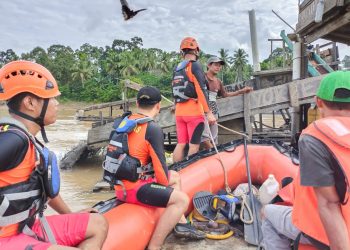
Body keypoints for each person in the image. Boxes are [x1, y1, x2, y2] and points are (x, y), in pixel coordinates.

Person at [0, 60, 108, 250]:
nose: (57, 104)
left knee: (98, 223)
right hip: (6, 239)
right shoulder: (14, 140)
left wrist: (71, 214)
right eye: (51, 98)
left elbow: (45, 188)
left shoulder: (29, 140)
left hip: (28, 226)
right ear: (30, 103)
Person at [106, 86, 205, 250]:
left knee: (175, 176)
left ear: (137, 103)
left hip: (119, 186)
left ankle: (180, 223)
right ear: (158, 106)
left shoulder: (125, 121)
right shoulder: (152, 129)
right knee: (181, 199)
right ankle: (155, 246)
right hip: (133, 191)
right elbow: (162, 178)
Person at [261, 71, 350, 250]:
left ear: (318, 102)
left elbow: (328, 205)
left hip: (325, 233)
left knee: (267, 212)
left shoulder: (315, 138)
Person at [172, 37, 216, 162]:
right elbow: (201, 90)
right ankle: (188, 172)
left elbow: (175, 91)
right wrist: (209, 113)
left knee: (181, 144)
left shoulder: (177, 69)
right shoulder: (195, 65)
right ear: (196, 51)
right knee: (193, 145)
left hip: (179, 112)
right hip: (193, 113)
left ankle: (176, 172)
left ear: (182, 52)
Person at [201, 56, 253, 149]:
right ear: (209, 65)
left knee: (213, 138)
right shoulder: (201, 77)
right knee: (204, 139)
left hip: (214, 111)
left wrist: (241, 91)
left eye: (219, 66)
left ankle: (214, 156)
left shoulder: (218, 82)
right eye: (216, 65)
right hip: (202, 110)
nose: (218, 67)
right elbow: (191, 90)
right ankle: (211, 155)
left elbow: (225, 95)